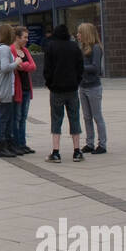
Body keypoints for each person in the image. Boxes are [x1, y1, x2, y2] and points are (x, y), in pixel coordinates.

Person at [43, 24, 85, 162]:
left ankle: (55, 152)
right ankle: (77, 151)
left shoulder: (51, 46)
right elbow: (80, 68)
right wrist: (76, 81)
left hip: (56, 89)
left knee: (56, 118)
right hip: (72, 88)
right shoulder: (74, 47)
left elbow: (47, 69)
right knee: (74, 117)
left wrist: (50, 83)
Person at [76, 22, 106, 155]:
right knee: (86, 116)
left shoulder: (96, 48)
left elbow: (96, 68)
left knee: (97, 116)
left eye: (80, 33)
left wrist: (79, 67)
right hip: (83, 86)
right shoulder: (82, 48)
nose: (77, 35)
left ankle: (102, 144)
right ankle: (89, 143)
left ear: (86, 34)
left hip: (93, 86)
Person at [0, 24, 20, 158]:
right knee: (4, 118)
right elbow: (5, 67)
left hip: (1, 87)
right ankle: (2, 145)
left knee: (5, 116)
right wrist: (17, 62)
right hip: (4, 88)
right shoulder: (5, 49)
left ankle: (6, 144)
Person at [10, 27, 37, 155]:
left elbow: (33, 66)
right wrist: (19, 66)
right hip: (17, 90)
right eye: (25, 37)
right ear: (17, 37)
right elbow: (14, 67)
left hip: (27, 88)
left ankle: (22, 143)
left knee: (23, 117)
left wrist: (23, 66)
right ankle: (16, 144)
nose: (27, 39)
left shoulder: (25, 50)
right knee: (17, 117)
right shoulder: (11, 50)